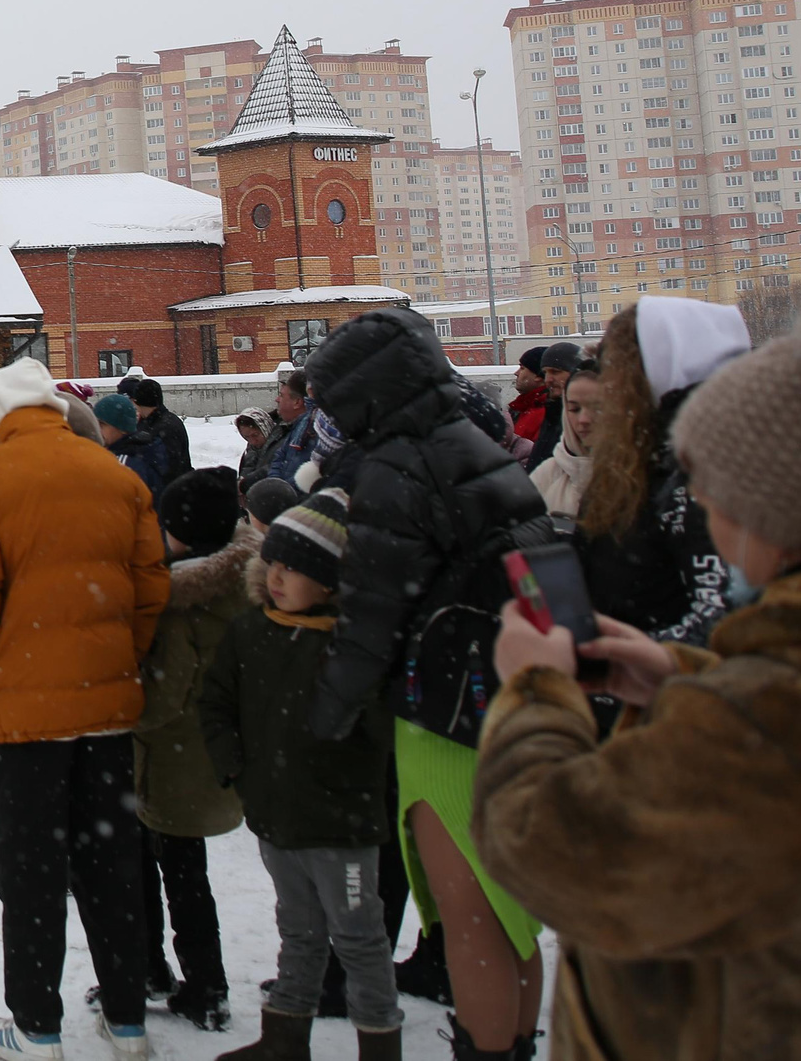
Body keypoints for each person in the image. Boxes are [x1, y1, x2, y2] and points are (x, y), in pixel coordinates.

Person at [474, 306, 801, 1061]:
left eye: (717, 489)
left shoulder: (760, 720)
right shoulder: (771, 690)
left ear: (772, 512)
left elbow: (546, 848)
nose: (705, 508)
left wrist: (536, 689)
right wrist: (680, 677)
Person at [302, 308, 551, 1060]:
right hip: (509, 694)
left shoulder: (397, 466)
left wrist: (327, 715)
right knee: (508, 914)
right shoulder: (470, 442)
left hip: (446, 709)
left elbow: (373, 610)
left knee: (469, 911)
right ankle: (515, 1043)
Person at [0, 356, 168, 1061]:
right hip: (108, 707)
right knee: (112, 865)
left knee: (31, 872)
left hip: (23, 716)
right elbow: (149, 591)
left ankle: (37, 1026)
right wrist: (116, 663)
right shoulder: (116, 475)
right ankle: (128, 1021)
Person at [198, 491, 402, 1061]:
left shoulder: (356, 647)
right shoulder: (251, 630)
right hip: (275, 815)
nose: (279, 577)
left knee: (360, 939)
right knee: (299, 931)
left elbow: (380, 731)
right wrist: (236, 767)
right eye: (275, 564)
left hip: (342, 824)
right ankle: (285, 1038)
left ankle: (380, 1046)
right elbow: (215, 703)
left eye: (297, 568)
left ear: (332, 583)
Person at [131, 467, 255, 1033]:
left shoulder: (184, 599)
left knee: (162, 874)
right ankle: (198, 981)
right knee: (186, 874)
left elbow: (163, 695)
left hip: (170, 757)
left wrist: (123, 713)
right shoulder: (243, 580)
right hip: (208, 752)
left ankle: (186, 981)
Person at [575, 297, 741, 643]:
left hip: (666, 677)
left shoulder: (701, 471)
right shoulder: (644, 456)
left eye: (615, 371)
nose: (607, 389)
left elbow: (724, 620)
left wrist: (620, 654)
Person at [527, 359, 597, 528]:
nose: (583, 419)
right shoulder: (547, 473)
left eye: (597, 407)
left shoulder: (640, 474)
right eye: (574, 409)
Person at [96, 393, 174, 497]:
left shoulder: (124, 463)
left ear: (122, 428)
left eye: (102, 424)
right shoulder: (143, 450)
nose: (97, 429)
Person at [522, 341, 581, 472]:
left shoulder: (584, 417)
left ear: (576, 373)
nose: (548, 379)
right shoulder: (551, 412)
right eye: (545, 372)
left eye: (555, 372)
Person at [124, 377, 193, 482]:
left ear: (137, 401)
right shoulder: (155, 421)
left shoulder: (164, 427)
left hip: (173, 487)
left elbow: (170, 467)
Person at [263, 371, 321, 487]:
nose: (277, 399)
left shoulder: (317, 427)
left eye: (281, 395)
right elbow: (279, 458)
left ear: (297, 402)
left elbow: (311, 476)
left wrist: (283, 491)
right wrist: (275, 483)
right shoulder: (297, 424)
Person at [505, 349, 549, 465]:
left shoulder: (545, 413)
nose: (516, 373)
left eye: (522, 368)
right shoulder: (523, 407)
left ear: (538, 375)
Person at [232, 410, 276, 487]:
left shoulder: (280, 447)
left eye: (255, 435)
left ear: (265, 428)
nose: (252, 441)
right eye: (246, 437)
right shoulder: (251, 450)